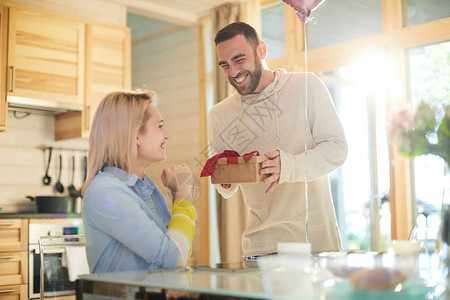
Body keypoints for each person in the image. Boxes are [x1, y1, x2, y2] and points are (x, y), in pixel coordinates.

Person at [208, 22, 348, 259]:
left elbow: (337, 150)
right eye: (225, 65)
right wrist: (225, 176)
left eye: (239, 60)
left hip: (316, 245)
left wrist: (287, 166)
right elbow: (226, 189)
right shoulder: (220, 114)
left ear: (261, 50)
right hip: (259, 248)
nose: (233, 73)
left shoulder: (306, 85)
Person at [82, 90, 197, 273]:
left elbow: (180, 249)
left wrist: (180, 197)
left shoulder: (148, 188)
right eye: (160, 126)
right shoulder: (105, 192)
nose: (166, 135)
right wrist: (183, 197)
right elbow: (173, 258)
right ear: (135, 135)